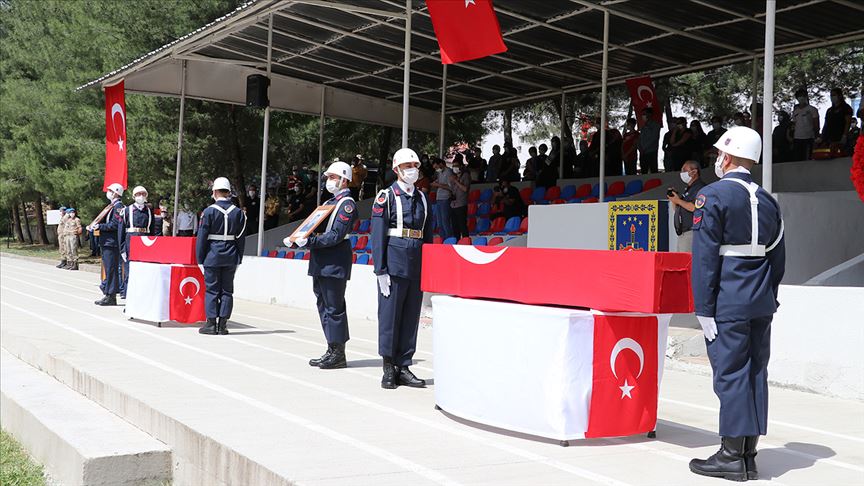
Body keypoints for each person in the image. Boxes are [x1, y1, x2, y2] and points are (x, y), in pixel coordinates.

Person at [689, 126, 785, 482]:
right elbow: (778, 258)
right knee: (756, 373)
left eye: (719, 154)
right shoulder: (769, 199)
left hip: (728, 299)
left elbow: (705, 258)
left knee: (730, 375)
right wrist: (768, 296)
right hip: (760, 299)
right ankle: (748, 454)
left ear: (726, 157)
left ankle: (731, 456)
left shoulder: (712, 196)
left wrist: (703, 307)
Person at [371, 148, 433, 390]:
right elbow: (377, 235)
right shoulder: (386, 196)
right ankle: (388, 365)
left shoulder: (423, 198)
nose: (412, 170)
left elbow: (428, 235)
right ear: (397, 170)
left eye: (415, 166)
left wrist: (429, 268)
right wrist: (380, 269)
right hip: (394, 262)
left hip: (416, 262)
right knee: (390, 316)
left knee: (410, 316)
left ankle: (404, 365)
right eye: (407, 166)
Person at [286, 162, 358, 370]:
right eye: (328, 177)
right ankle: (331, 348)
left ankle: (338, 352)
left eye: (333, 177)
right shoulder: (330, 202)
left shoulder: (346, 204)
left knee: (334, 307)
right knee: (323, 305)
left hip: (334, 261)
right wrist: (297, 238)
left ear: (344, 180)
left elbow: (336, 235)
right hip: (321, 260)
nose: (329, 181)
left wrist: (308, 242)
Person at [196, 177, 247, 336]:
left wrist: (200, 259)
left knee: (212, 290)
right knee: (227, 291)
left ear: (215, 192)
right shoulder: (238, 213)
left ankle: (211, 324)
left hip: (212, 255)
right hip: (231, 255)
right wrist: (239, 257)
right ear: (228, 192)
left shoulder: (209, 211)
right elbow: (241, 237)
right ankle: (223, 325)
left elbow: (202, 237)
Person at [119, 186, 155, 299]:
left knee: (143, 272)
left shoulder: (149, 211)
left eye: (143, 194)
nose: (141, 196)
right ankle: (129, 297)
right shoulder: (127, 210)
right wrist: (122, 248)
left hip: (145, 241)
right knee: (130, 271)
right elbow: (121, 231)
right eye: (138, 194)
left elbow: (152, 230)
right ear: (134, 196)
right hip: (131, 241)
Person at [93, 183, 125, 306]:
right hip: (107, 242)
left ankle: (111, 296)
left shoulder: (118, 207)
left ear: (116, 193)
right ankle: (107, 292)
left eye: (110, 191)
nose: (108, 192)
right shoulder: (112, 206)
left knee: (111, 269)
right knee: (109, 268)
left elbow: (115, 225)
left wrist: (99, 226)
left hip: (111, 242)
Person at [667, 161, 706, 253]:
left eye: (685, 170)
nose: (682, 173)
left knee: (687, 263)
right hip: (683, 233)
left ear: (694, 172)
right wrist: (674, 199)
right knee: (681, 263)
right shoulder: (689, 188)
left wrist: (678, 201)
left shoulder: (700, 187)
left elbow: (694, 207)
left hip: (691, 232)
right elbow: (678, 209)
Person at [819, 87, 854, 155]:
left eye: (834, 95)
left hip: (839, 137)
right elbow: (826, 124)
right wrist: (822, 137)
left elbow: (848, 122)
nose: (832, 97)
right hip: (828, 138)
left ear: (840, 96)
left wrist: (844, 136)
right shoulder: (829, 110)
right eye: (831, 95)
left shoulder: (846, 108)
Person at [792, 88, 820, 161]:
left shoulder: (812, 109)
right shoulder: (795, 111)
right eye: (799, 96)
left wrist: (817, 136)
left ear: (806, 97)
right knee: (798, 159)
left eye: (803, 96)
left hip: (809, 137)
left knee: (808, 158)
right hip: (797, 138)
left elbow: (816, 124)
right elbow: (794, 124)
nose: (801, 98)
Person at [430, 158, 454, 239]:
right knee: (439, 222)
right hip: (439, 198)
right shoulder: (440, 173)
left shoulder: (449, 172)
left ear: (441, 164)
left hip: (445, 198)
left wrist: (438, 185)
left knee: (445, 221)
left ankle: (449, 240)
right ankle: (443, 240)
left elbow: (451, 187)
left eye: (436, 167)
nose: (436, 169)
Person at [449, 154, 471, 240]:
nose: (455, 168)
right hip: (453, 204)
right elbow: (451, 189)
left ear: (461, 166)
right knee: (455, 226)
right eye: (453, 166)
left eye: (456, 166)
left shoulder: (465, 176)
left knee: (462, 225)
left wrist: (455, 181)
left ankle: (466, 241)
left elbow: (465, 189)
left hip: (461, 204)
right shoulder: (453, 176)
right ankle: (456, 241)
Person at [638, 108, 661, 173]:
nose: (643, 116)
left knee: (653, 170)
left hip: (651, 151)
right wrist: (640, 148)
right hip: (642, 152)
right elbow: (639, 139)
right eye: (642, 114)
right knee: (643, 171)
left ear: (650, 114)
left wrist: (644, 148)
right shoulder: (643, 127)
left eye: (644, 114)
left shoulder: (655, 125)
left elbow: (654, 138)